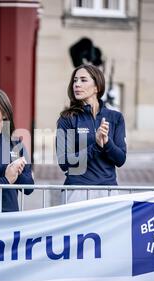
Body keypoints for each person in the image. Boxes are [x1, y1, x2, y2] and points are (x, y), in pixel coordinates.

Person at [56, 64, 127, 203]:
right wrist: (95, 145)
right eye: (75, 80)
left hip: (108, 192)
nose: (77, 84)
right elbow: (64, 162)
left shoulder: (115, 118)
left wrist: (107, 142)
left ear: (97, 87)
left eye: (83, 80)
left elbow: (120, 159)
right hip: (76, 191)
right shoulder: (67, 118)